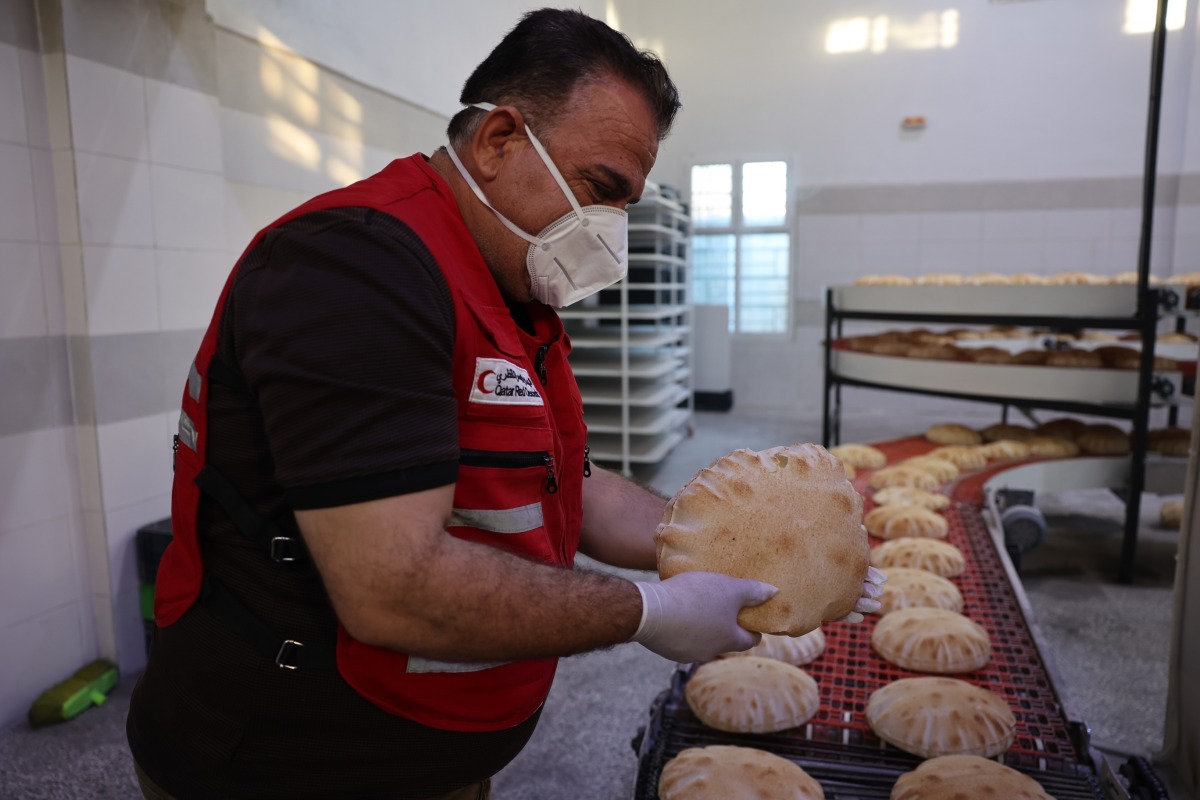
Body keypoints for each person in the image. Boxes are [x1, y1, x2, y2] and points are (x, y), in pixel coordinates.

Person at [126, 9, 881, 799]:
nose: (612, 234)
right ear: (498, 141)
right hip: (295, 763)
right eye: (601, 190)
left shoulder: (512, 290)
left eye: (626, 205)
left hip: (435, 752)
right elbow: (393, 586)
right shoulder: (355, 268)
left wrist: (737, 547)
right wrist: (647, 610)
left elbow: (570, 487)